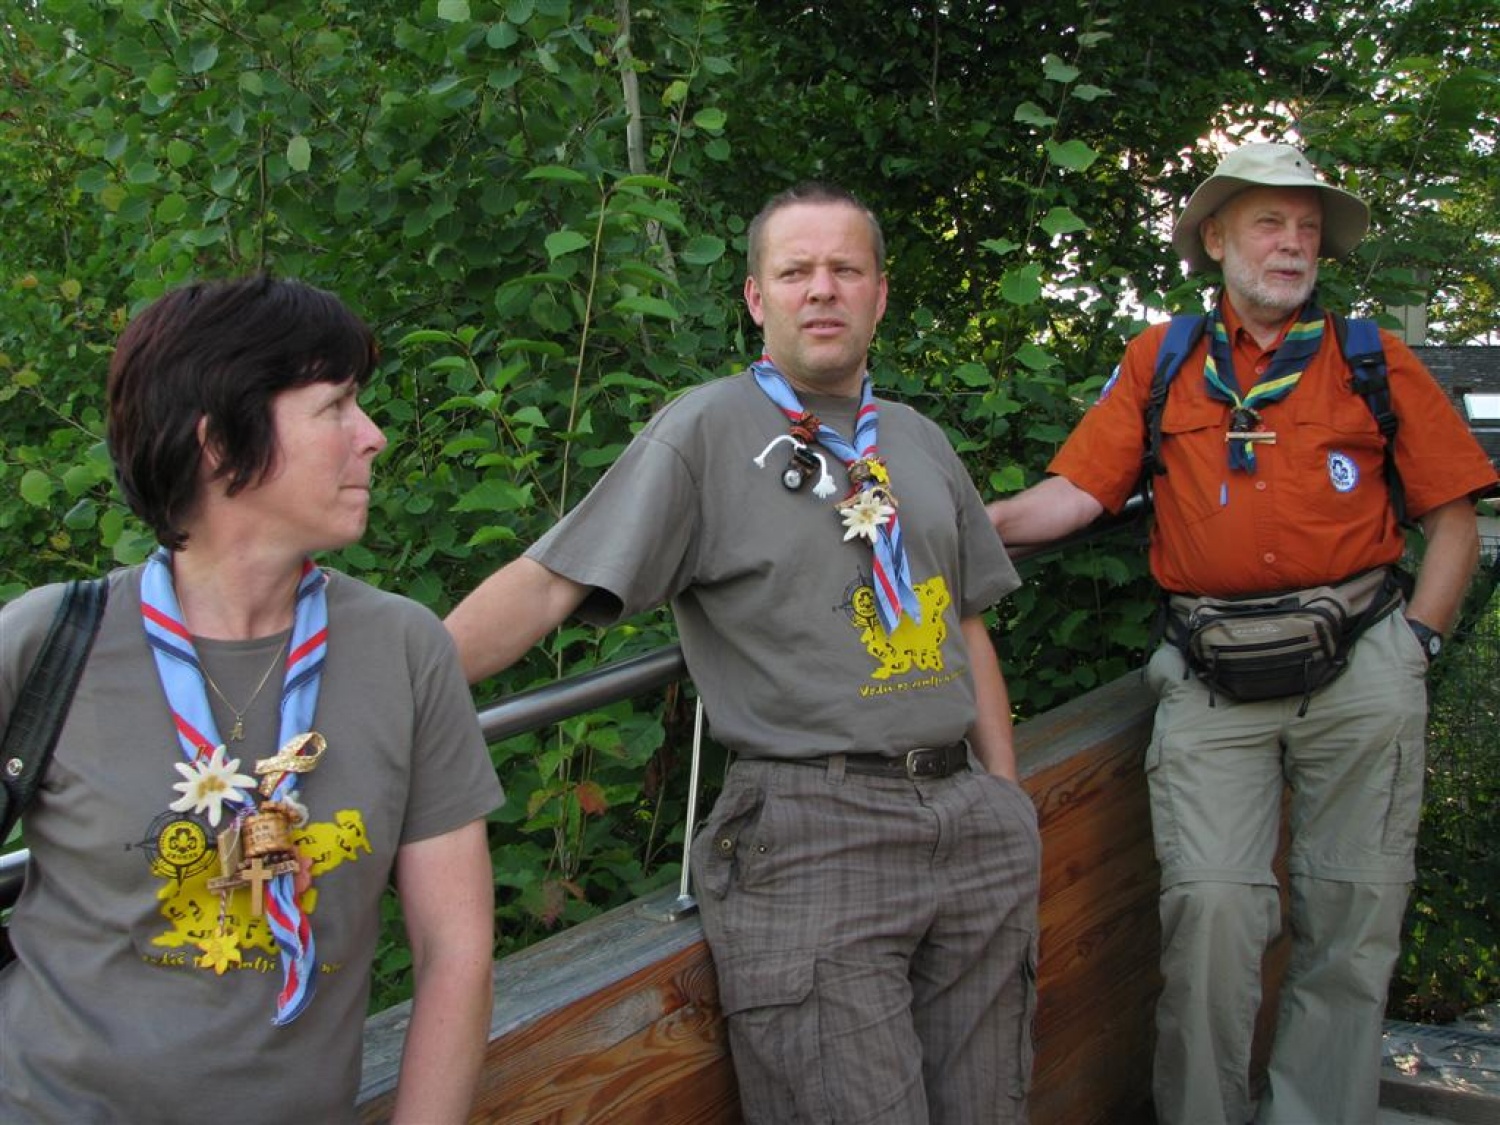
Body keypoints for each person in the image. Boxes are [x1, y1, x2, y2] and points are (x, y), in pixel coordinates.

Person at [446, 182, 1041, 1123]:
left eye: (846, 270)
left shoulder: (920, 442)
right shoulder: (706, 430)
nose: (823, 290)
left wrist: (1007, 800)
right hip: (816, 826)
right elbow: (551, 579)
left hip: (968, 820)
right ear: (757, 299)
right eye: (795, 271)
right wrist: (398, 680)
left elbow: (967, 621)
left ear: (880, 294)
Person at [988, 143, 1499, 1125]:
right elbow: (1076, 495)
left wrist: (1418, 648)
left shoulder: (1367, 357)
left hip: (1362, 669)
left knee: (1352, 923)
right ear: (1214, 237)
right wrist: (965, 523)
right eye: (1271, 222)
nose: (1295, 243)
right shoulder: (1163, 358)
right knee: (1214, 915)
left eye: (1308, 228)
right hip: (1211, 679)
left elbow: (1456, 522)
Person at [0, 276, 503, 1124]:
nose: (373, 436)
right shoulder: (50, 641)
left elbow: (455, 948)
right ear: (218, 442)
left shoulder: (404, 648)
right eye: (336, 405)